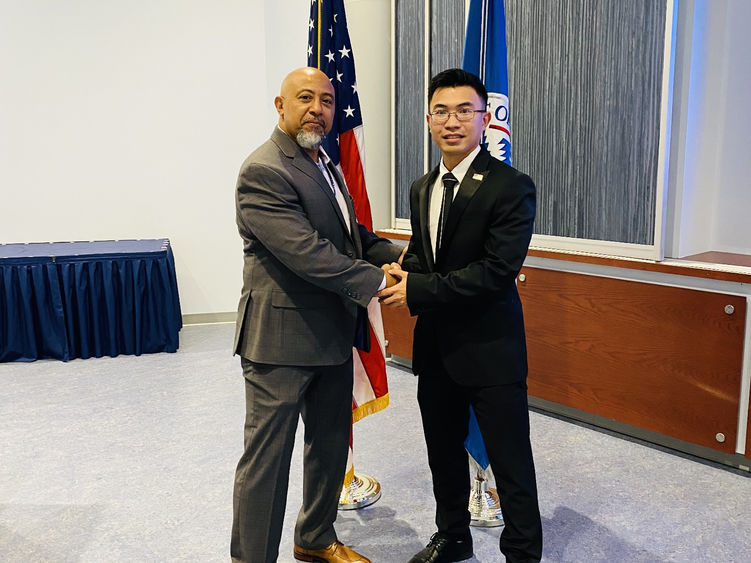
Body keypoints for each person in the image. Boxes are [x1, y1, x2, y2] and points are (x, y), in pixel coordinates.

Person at [231, 67, 404, 563]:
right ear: (280, 106)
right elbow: (307, 253)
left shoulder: (324, 160)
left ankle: (314, 538)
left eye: (327, 100)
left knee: (328, 446)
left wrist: (410, 259)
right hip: (280, 344)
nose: (319, 109)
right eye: (305, 98)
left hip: (331, 335)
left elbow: (352, 238)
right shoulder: (263, 170)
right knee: (268, 461)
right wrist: (379, 284)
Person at [377, 68, 543, 562]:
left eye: (464, 110)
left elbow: (496, 272)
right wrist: (402, 270)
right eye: (442, 111)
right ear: (429, 119)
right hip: (436, 350)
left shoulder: (511, 186)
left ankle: (521, 551)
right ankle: (452, 535)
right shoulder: (421, 186)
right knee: (442, 454)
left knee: (512, 461)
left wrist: (419, 289)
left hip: (491, 350)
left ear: (484, 117)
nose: (453, 121)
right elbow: (431, 257)